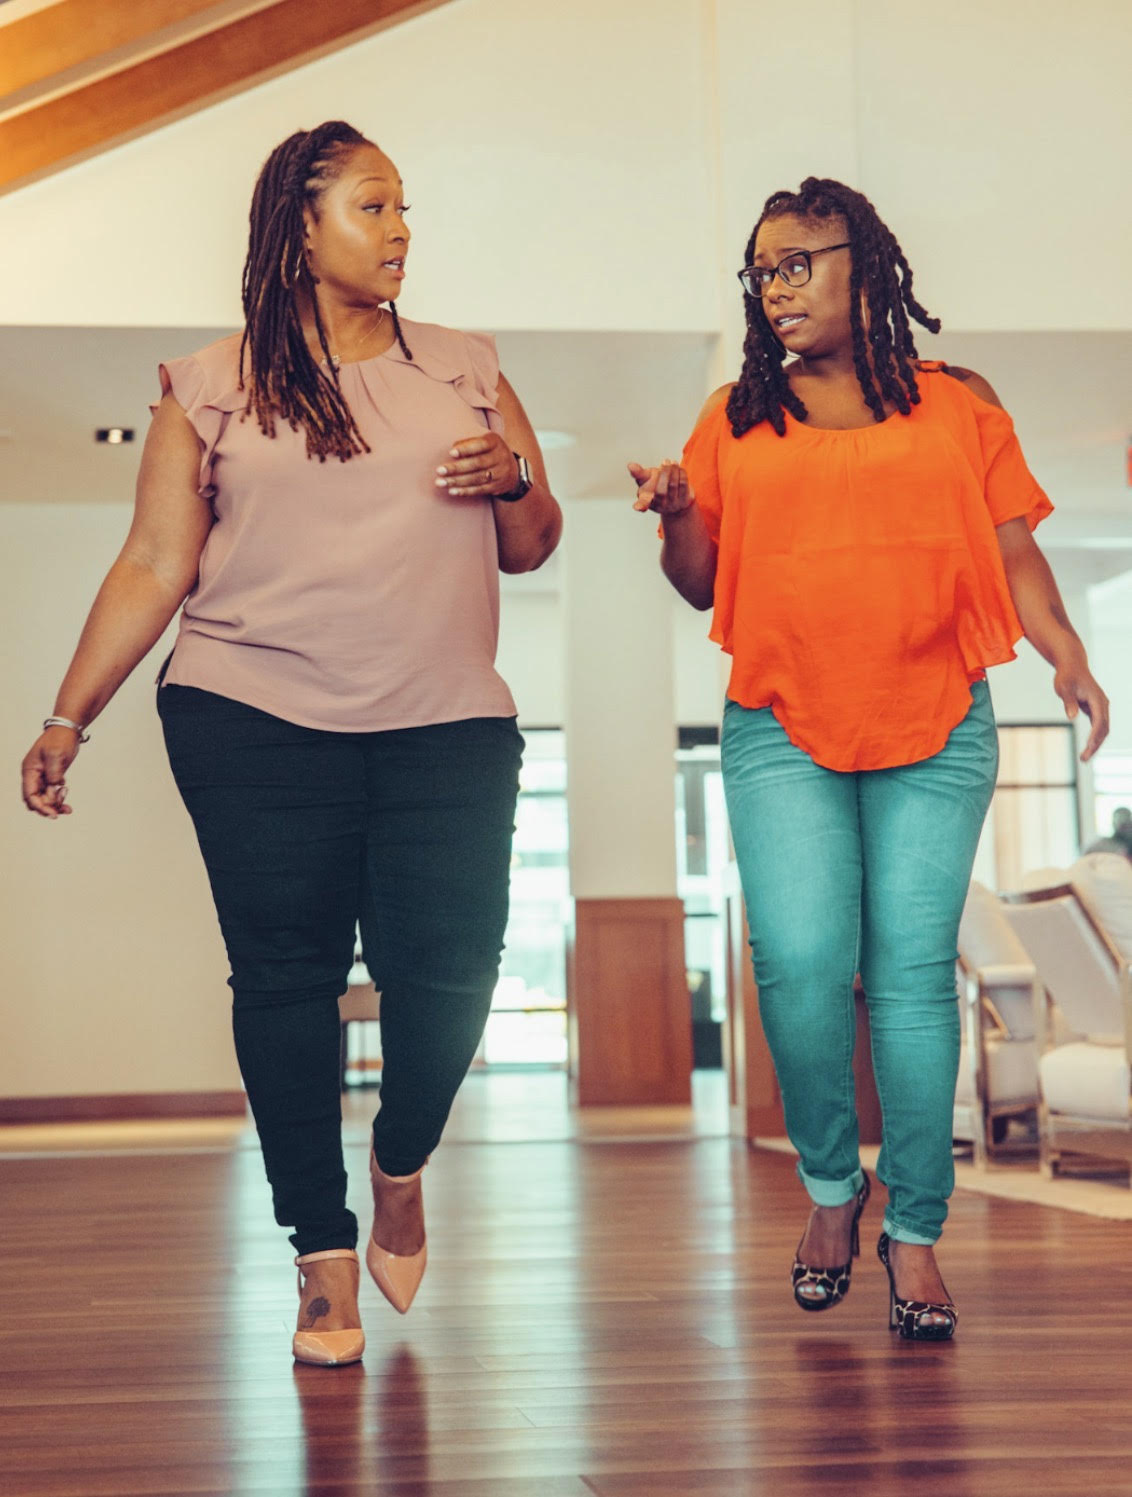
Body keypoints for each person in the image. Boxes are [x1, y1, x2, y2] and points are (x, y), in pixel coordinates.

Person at [20, 120, 562, 1367]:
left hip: (444, 720)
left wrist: (512, 477)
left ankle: (401, 1159)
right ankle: (320, 1253)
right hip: (250, 715)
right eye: (374, 206)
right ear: (300, 229)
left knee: (453, 972)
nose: (401, 230)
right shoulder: (210, 384)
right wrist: (67, 714)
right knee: (283, 979)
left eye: (405, 207)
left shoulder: (467, 369)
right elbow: (154, 562)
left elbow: (530, 545)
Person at [629, 177, 1108, 1340]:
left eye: (797, 262)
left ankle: (917, 1230)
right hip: (780, 716)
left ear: (868, 263)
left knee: (909, 973)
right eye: (761, 271)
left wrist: (1065, 653)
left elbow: (1012, 549)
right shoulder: (734, 414)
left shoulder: (958, 403)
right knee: (798, 961)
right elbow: (699, 582)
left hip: (937, 715)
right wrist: (679, 510)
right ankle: (832, 1187)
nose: (775, 287)